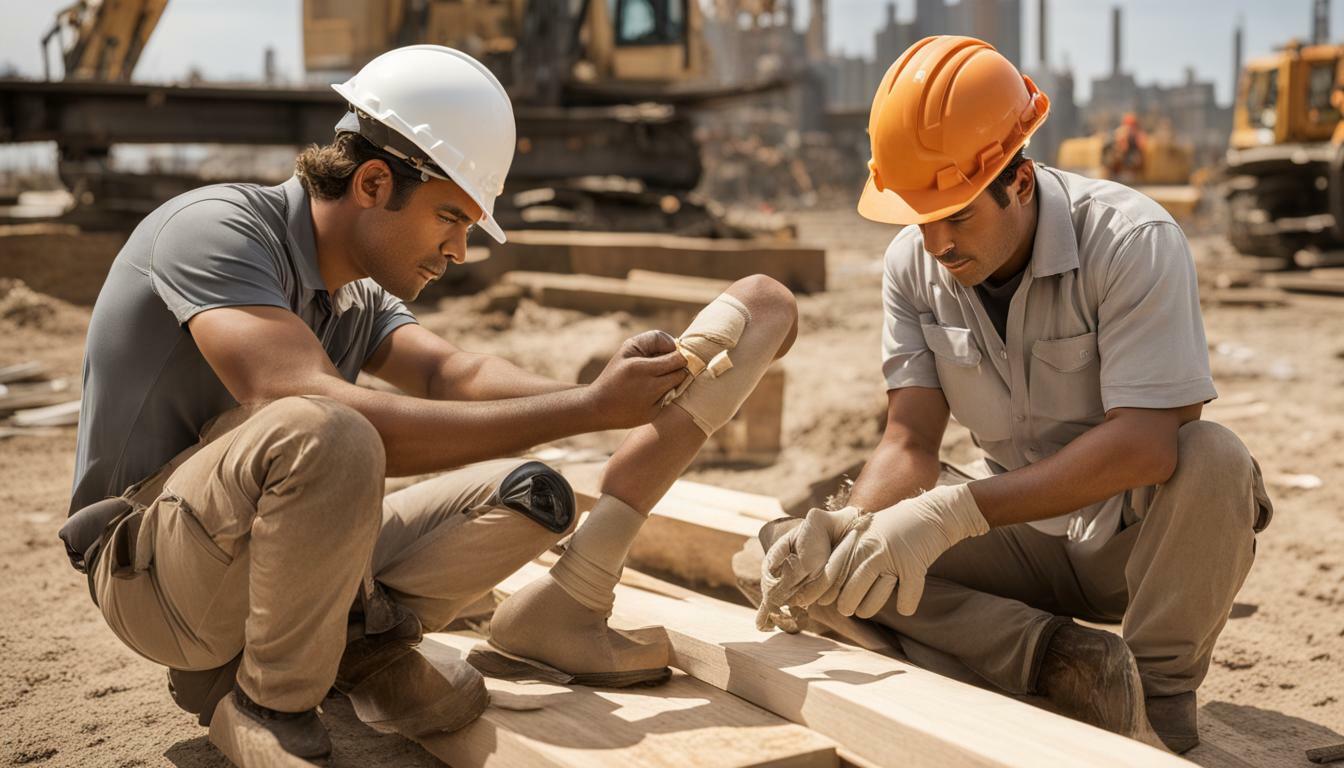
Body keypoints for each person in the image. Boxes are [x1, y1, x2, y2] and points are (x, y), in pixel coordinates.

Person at [60, 44, 797, 766]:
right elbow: (293, 396)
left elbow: (455, 374)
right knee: (327, 428)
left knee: (532, 493)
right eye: (451, 218)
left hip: (258, 556)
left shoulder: (353, 292)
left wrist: (613, 394)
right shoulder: (216, 229)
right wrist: (586, 410)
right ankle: (267, 702)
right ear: (375, 184)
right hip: (152, 573)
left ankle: (355, 645)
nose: (460, 251)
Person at [749, 36, 1272, 754]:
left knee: (1215, 458)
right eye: (920, 218)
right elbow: (910, 442)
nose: (936, 243)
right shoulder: (911, 265)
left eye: (957, 215)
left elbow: (1148, 445)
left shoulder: (1131, 240)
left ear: (1019, 181)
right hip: (1018, 546)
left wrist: (949, 513)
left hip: (1133, 551)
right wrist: (849, 526)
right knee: (799, 544)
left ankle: (1155, 697)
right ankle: (1058, 661)